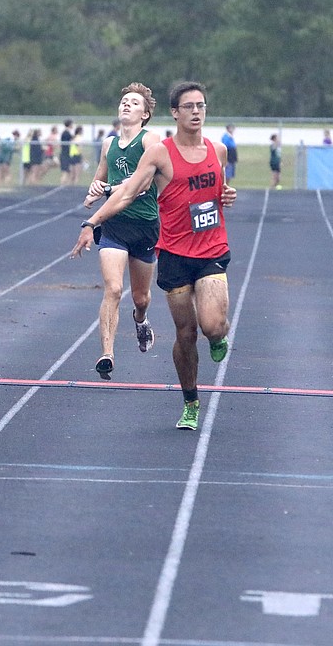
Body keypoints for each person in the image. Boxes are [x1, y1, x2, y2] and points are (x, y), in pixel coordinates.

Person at [72, 81, 237, 431]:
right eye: (189, 106)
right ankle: (190, 402)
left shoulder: (218, 150)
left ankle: (218, 336)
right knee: (185, 334)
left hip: (211, 249)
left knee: (211, 325)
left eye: (201, 106)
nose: (196, 111)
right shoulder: (160, 154)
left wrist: (226, 195)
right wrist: (92, 221)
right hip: (174, 252)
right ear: (175, 113)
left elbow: (217, 189)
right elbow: (126, 193)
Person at [77, 82, 164, 381]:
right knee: (113, 289)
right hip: (115, 226)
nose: (127, 104)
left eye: (134, 102)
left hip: (144, 226)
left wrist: (109, 190)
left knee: (141, 297)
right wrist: (94, 190)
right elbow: (99, 179)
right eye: (124, 100)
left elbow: (143, 184)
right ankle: (107, 354)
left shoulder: (150, 141)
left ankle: (140, 319)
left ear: (145, 114)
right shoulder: (108, 144)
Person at [59, 119, 74, 185]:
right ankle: (62, 185)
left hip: (67, 154)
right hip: (65, 154)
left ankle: (67, 185)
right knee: (65, 172)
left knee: (69, 171)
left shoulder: (67, 133)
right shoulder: (66, 133)